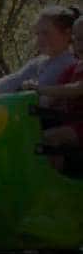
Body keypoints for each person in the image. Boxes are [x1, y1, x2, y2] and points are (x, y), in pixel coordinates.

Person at [0, 5, 82, 102]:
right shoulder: (39, 62)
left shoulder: (71, 64)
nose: (40, 39)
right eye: (38, 34)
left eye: (46, 33)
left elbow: (40, 93)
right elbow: (16, 79)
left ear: (67, 33)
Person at [25, 15, 83, 168]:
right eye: (77, 40)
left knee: (50, 137)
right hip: (71, 122)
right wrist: (32, 95)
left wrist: (40, 89)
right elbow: (52, 96)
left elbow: (76, 89)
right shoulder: (72, 69)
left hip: (80, 124)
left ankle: (55, 179)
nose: (80, 45)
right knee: (32, 133)